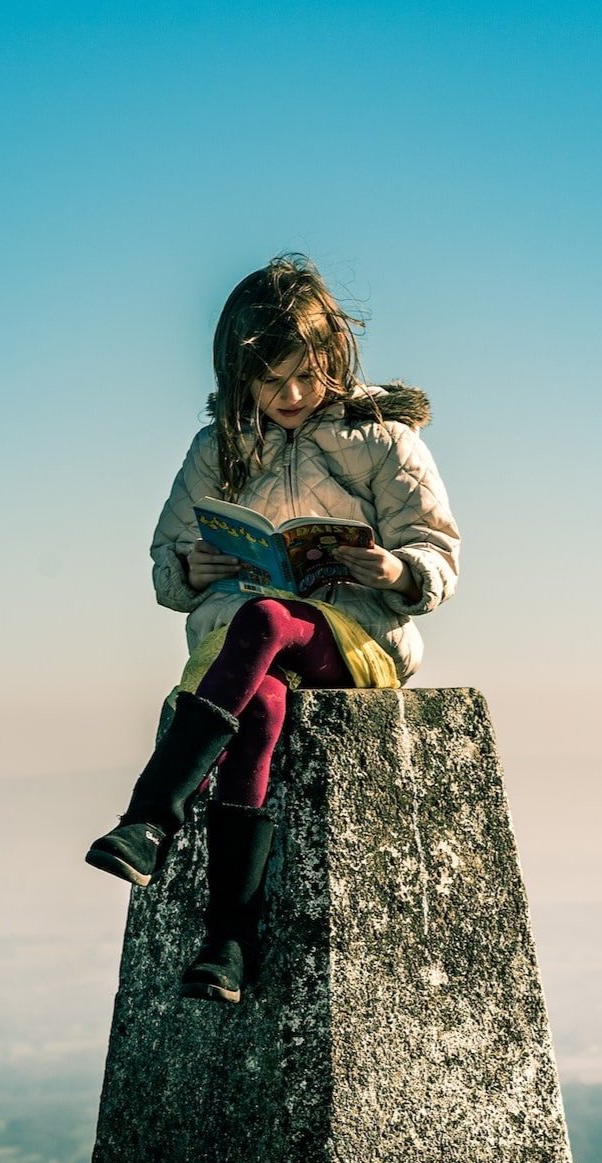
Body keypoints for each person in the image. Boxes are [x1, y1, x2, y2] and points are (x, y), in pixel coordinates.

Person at [85, 255, 460, 1001]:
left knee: (266, 617)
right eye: (269, 380)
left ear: (333, 361)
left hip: (354, 639)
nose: (290, 395)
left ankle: (150, 817)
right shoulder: (214, 450)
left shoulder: (381, 441)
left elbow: (438, 555)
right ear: (237, 375)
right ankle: (227, 944)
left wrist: (391, 570)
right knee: (257, 706)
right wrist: (191, 571)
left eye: (306, 375)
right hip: (247, 652)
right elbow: (166, 566)